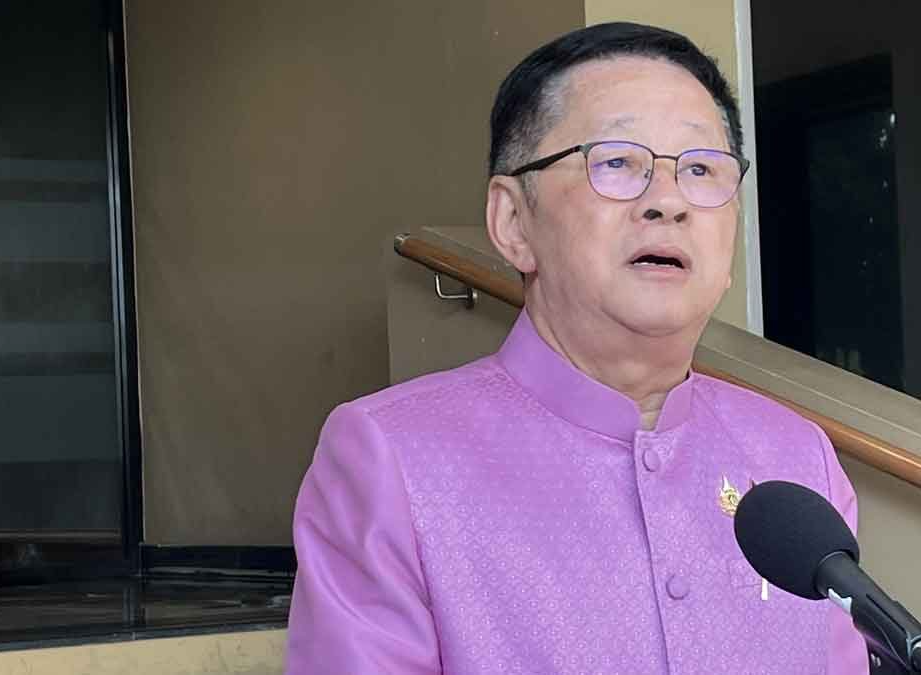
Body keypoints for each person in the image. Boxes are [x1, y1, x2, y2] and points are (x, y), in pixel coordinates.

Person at [285, 22, 867, 674]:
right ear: (513, 221)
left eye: (701, 169)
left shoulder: (797, 460)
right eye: (616, 162)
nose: (668, 201)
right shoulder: (392, 459)